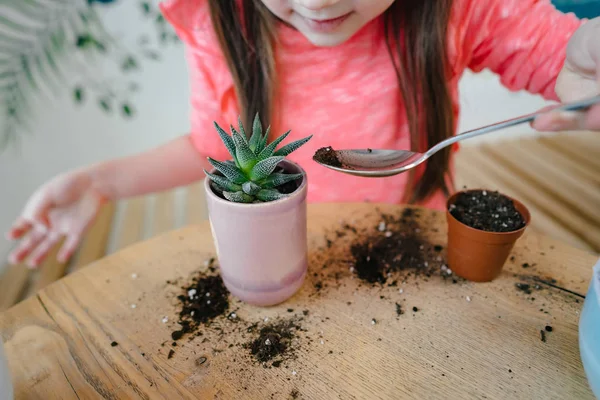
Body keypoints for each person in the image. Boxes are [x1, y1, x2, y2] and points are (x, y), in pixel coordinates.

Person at [4, 0, 600, 268]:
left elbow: (565, 64)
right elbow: (209, 151)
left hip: (417, 249)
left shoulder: (455, 9)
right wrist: (101, 181)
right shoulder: (221, 21)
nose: (317, 2)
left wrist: (578, 70)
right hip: (282, 264)